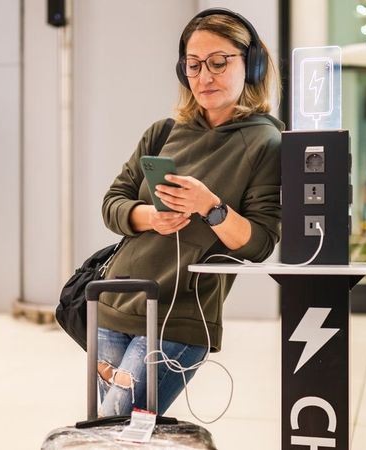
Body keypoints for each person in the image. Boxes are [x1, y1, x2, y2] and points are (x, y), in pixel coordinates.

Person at [97, 8, 283, 417]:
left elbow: (260, 243)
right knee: (116, 434)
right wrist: (148, 216)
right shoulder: (163, 132)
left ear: (250, 65)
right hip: (115, 303)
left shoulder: (266, 142)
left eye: (219, 62)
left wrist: (211, 207)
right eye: (194, 65)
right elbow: (112, 204)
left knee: (115, 426)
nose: (205, 76)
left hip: (178, 317)